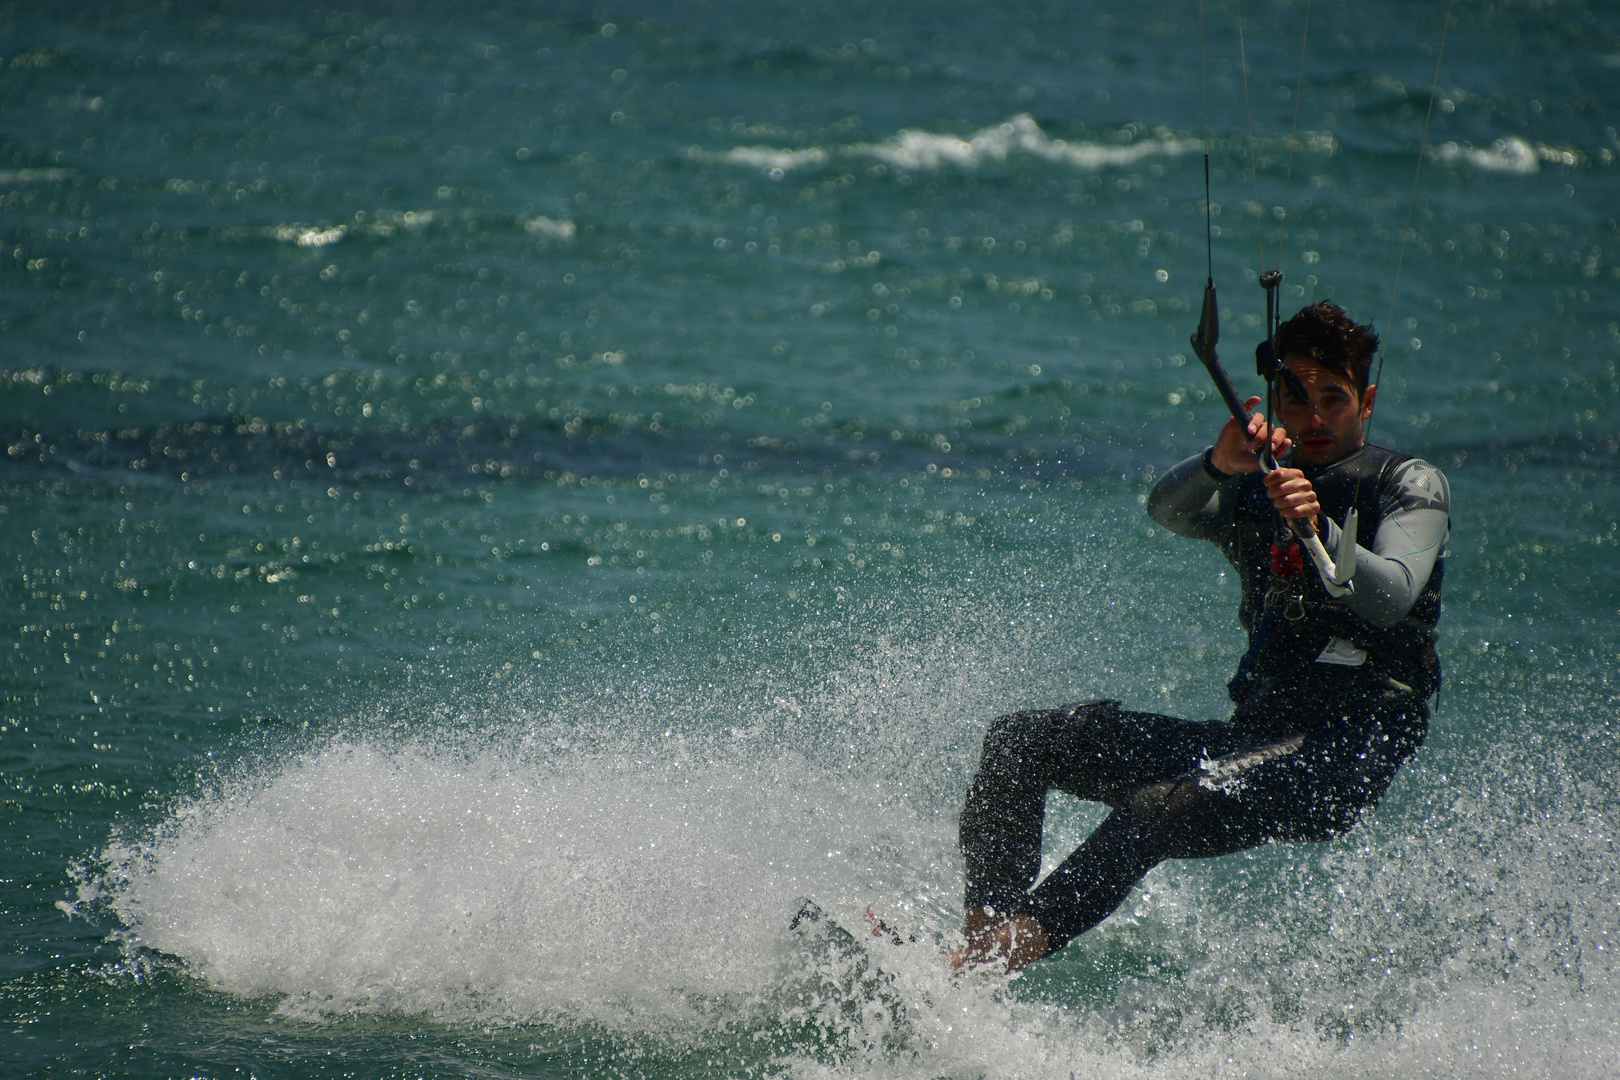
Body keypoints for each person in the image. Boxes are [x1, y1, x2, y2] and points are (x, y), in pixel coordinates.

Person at [953, 301, 1449, 973]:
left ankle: (981, 969)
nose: (1315, 418)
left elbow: (1391, 595)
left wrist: (1321, 529)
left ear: (1366, 400)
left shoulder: (1406, 484)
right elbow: (1169, 510)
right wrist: (1218, 462)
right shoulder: (1257, 486)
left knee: (1156, 809)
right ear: (1273, 403)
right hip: (1255, 738)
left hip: (1341, 752)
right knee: (1019, 742)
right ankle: (980, 939)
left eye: (1334, 399)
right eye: (1297, 401)